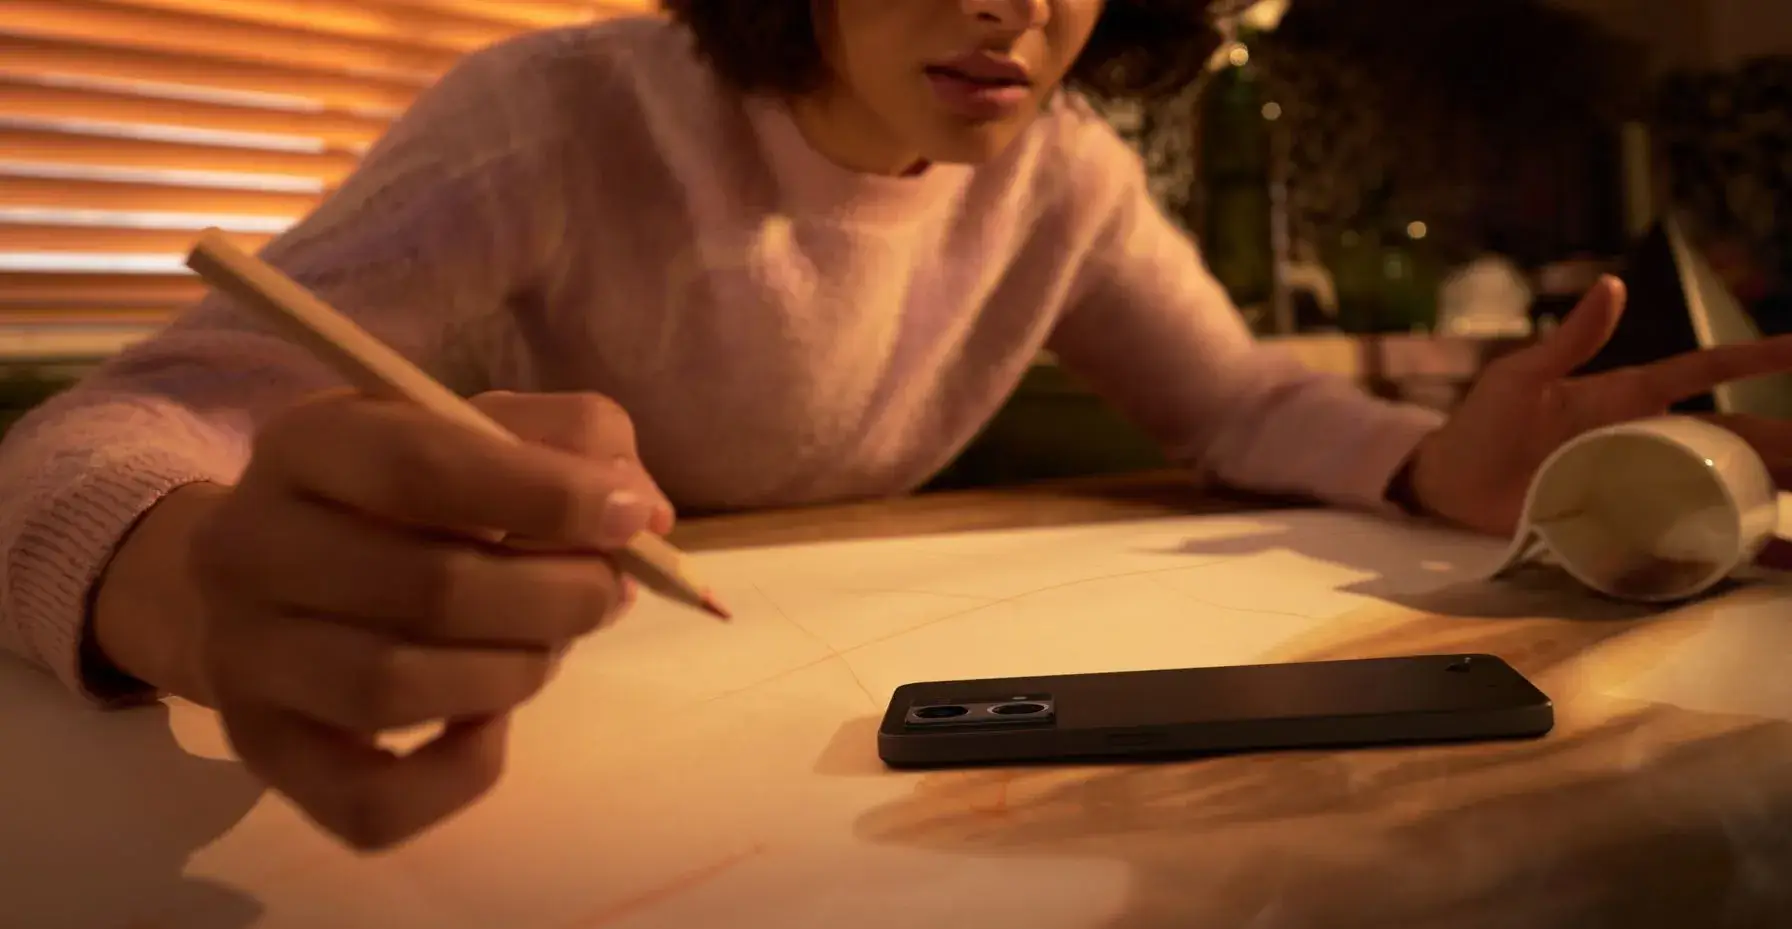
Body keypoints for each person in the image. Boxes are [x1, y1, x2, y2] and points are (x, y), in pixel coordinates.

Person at [1, 0, 1788, 852]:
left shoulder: (1063, 174)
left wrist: (1426, 457)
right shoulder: (558, 115)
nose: (1015, 3)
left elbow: (1237, 394)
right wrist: (186, 583)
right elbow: (121, 425)